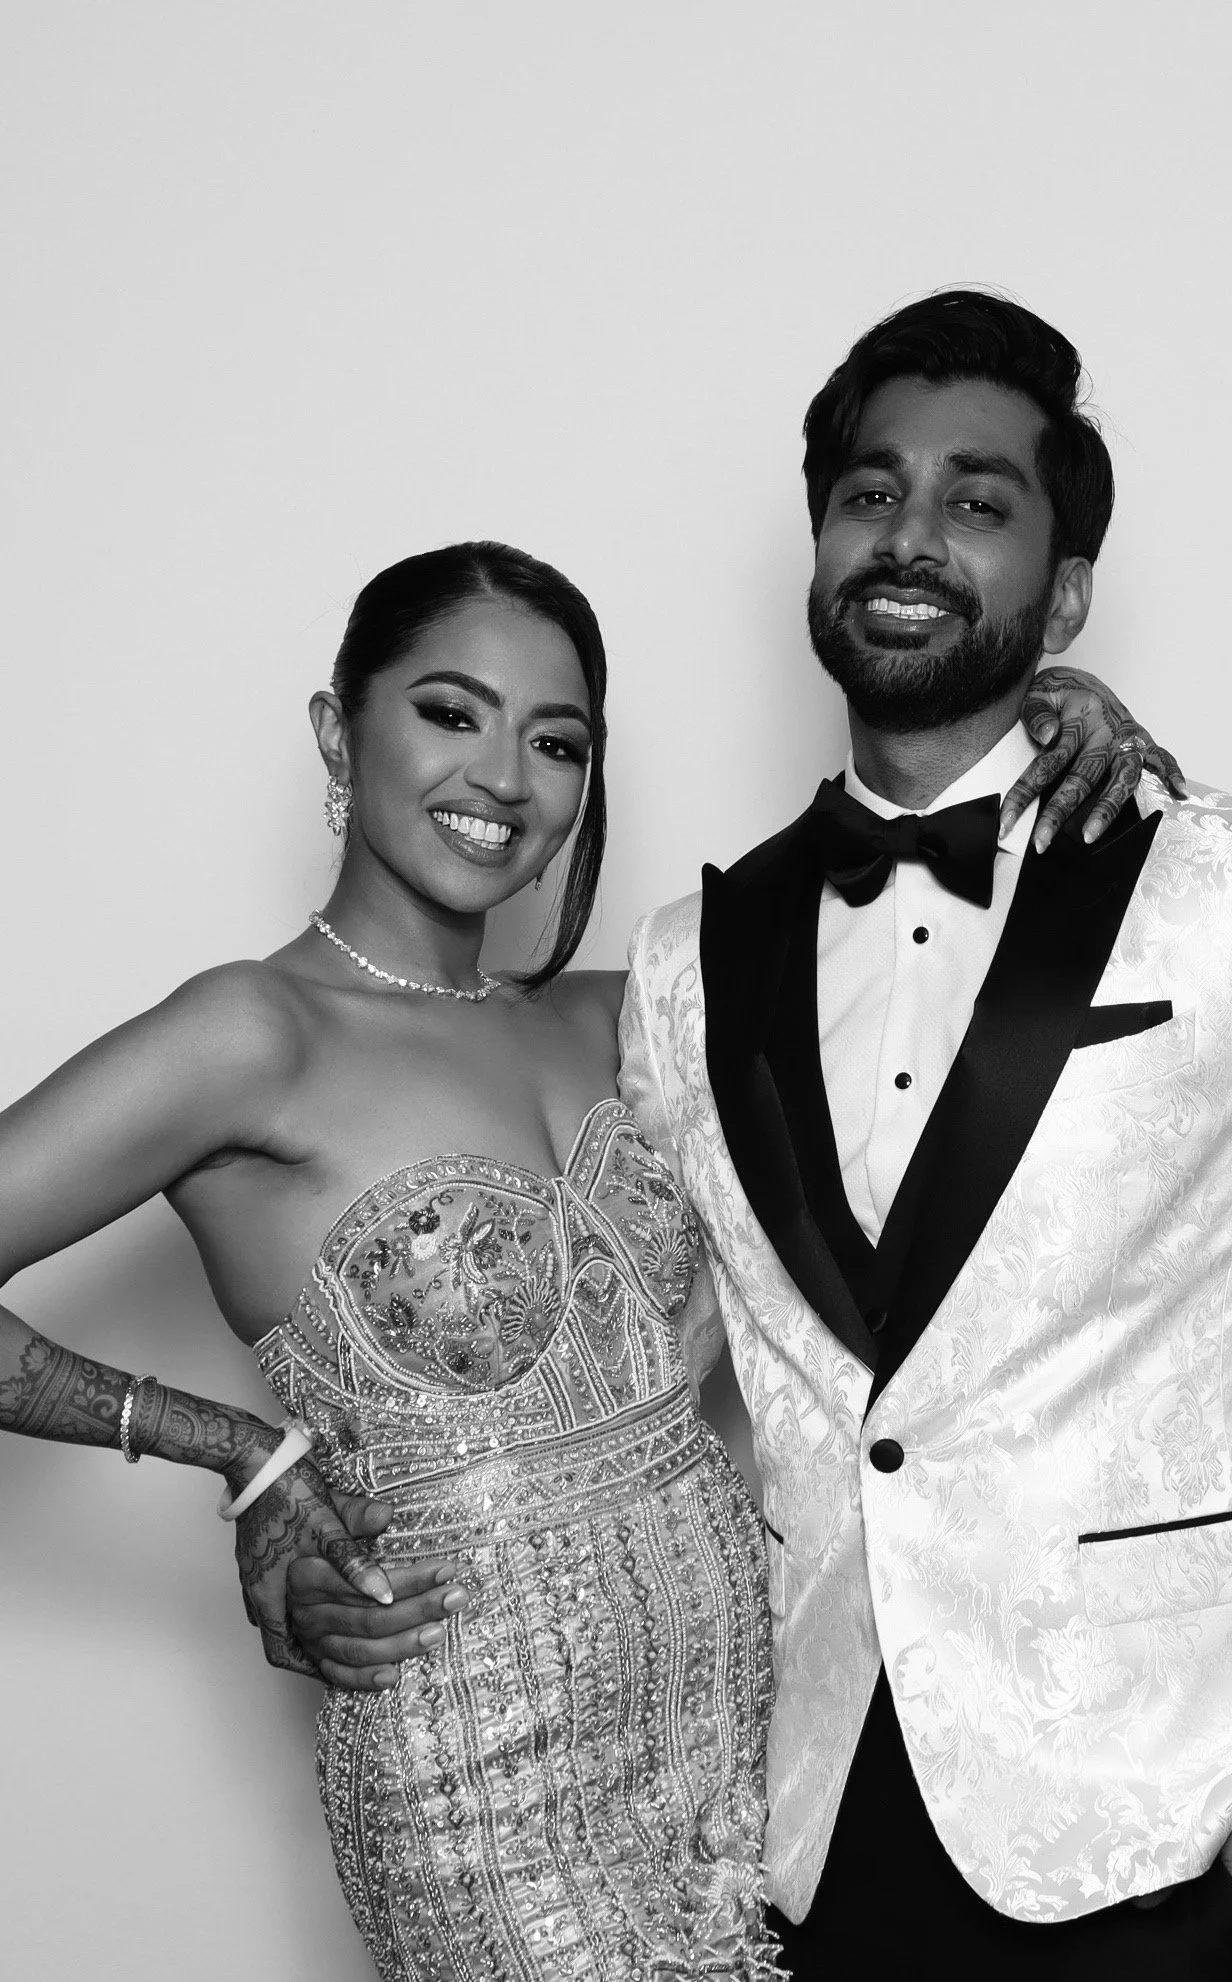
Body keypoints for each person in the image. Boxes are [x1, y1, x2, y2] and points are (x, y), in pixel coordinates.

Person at [294, 291, 1232, 1978]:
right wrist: (285, 1506)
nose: (910, 536)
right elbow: (608, 1368)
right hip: (801, 1824)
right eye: (871, 493)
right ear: (818, 549)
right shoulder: (684, 962)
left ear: (1065, 590)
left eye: (977, 502)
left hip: (1166, 1827)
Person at [0, 537, 1172, 1978]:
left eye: (555, 742)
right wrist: (238, 1450)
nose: (502, 777)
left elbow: (945, 962)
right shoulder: (251, 1034)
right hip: (479, 1766)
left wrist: (1039, 710)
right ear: (336, 732)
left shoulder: (641, 1003)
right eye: (450, 712)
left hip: (749, 1735)